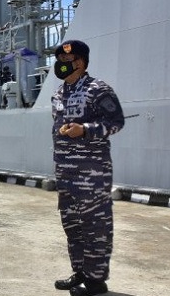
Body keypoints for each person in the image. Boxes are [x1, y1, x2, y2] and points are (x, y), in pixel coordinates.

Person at [51, 40, 125, 296]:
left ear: (79, 62)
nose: (59, 64)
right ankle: (81, 272)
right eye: (58, 59)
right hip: (66, 174)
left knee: (96, 227)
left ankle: (96, 281)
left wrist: (85, 130)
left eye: (64, 59)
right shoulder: (59, 94)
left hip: (92, 174)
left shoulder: (98, 90)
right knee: (73, 226)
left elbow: (116, 122)